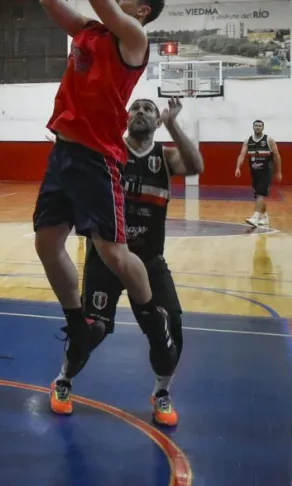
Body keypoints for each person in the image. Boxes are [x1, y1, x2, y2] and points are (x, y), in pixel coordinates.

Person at [34, 0, 175, 382]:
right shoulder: (91, 31)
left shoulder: (134, 41)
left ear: (142, 13)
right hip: (63, 153)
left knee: (113, 254)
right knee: (47, 245)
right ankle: (79, 324)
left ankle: (152, 319)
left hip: (97, 157)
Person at [50, 98, 201, 427]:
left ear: (156, 121)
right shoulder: (108, 153)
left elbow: (196, 166)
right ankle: (63, 381)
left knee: (167, 325)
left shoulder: (163, 158)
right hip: (106, 257)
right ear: (126, 117)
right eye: (136, 108)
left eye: (149, 109)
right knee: (92, 329)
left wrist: (173, 123)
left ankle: (162, 392)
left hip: (147, 261)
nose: (142, 113)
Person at [234, 119, 282, 227]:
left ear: (263, 128)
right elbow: (241, 155)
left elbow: (277, 156)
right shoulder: (248, 140)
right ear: (253, 127)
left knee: (260, 193)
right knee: (258, 195)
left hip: (266, 172)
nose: (258, 127)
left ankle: (255, 217)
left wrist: (278, 172)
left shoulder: (269, 140)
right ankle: (265, 217)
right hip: (255, 173)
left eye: (260, 125)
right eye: (256, 125)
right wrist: (238, 168)